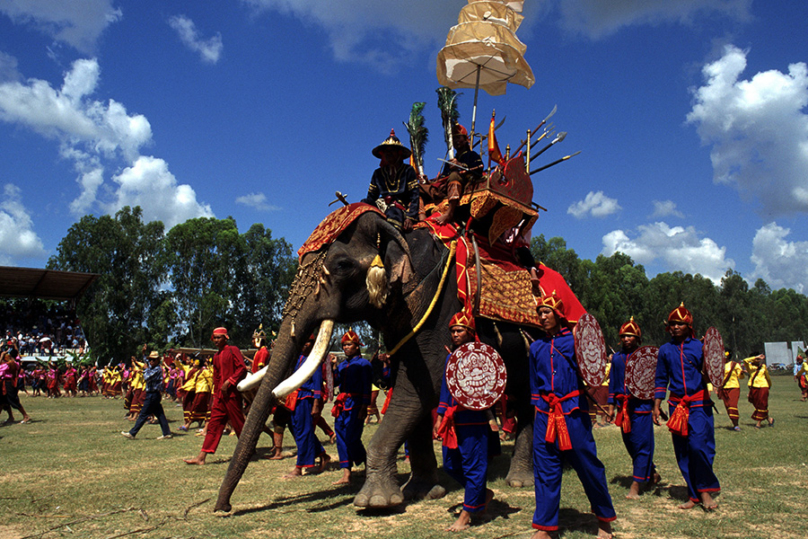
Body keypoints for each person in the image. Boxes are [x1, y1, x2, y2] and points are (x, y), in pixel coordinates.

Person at [530, 292, 615, 539]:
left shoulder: (575, 342)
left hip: (572, 413)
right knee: (545, 470)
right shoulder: (536, 347)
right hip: (546, 415)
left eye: (546, 312)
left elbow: (593, 368)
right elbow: (535, 386)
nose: (542, 317)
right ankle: (546, 528)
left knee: (588, 466)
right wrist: (538, 414)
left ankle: (604, 520)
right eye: (539, 313)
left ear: (558, 315)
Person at [653, 303, 720, 511]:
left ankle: (705, 491)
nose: (674, 328)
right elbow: (661, 379)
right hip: (676, 406)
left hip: (699, 403)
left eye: (679, 324)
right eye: (672, 324)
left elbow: (712, 373)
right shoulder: (665, 350)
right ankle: (694, 494)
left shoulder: (700, 347)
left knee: (699, 446)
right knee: (682, 451)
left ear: (688, 325)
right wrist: (656, 405)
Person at [434, 312, 494, 532]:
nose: (455, 334)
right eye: (452, 331)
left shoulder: (482, 355)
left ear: (469, 333)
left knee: (473, 466)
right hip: (452, 418)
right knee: (450, 464)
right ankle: (481, 495)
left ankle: (466, 515)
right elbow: (445, 389)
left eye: (459, 330)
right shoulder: (451, 357)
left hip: (473, 418)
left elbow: (491, 386)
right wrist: (439, 416)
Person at [607, 317, 659, 499]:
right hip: (624, 409)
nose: (627, 339)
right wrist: (611, 406)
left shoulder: (646, 359)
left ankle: (636, 485)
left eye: (631, 336)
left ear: (638, 338)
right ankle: (652, 473)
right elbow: (613, 382)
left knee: (642, 445)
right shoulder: (617, 359)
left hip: (642, 407)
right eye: (624, 336)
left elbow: (653, 384)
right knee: (630, 445)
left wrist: (656, 407)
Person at [184, 327, 247, 465]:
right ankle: (201, 457)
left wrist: (229, 382)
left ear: (226, 338)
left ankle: (248, 450)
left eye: (219, 337)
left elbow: (242, 368)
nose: (216, 340)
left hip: (232, 395)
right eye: (215, 338)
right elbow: (216, 377)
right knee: (213, 425)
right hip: (220, 397)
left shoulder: (233, 350)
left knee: (238, 424)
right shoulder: (216, 357)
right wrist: (217, 394)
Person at [285, 334, 331, 478]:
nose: (305, 344)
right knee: (297, 429)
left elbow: (317, 382)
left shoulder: (314, 359)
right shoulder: (297, 358)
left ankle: (299, 467)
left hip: (307, 398)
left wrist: (316, 403)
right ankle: (322, 454)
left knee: (304, 431)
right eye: (303, 341)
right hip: (294, 397)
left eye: (308, 341)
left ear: (313, 343)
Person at [330, 329, 372, 485]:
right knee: (341, 437)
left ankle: (369, 465)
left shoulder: (364, 364)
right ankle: (347, 474)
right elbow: (335, 382)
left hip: (356, 404)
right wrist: (334, 367)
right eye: (344, 345)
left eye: (349, 345)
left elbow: (367, 386)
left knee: (352, 438)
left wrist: (364, 406)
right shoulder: (342, 365)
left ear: (357, 346)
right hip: (342, 405)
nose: (346, 348)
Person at [363, 129, 420, 231]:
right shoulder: (378, 173)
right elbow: (371, 197)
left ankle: (394, 244)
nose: (388, 154)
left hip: (400, 208)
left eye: (391, 151)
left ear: (399, 153)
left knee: (393, 213)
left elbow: (415, 196)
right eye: (386, 151)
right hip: (381, 206)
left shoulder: (408, 170)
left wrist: (410, 217)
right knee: (363, 204)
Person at [427, 123, 483, 225]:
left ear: (466, 139)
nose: (456, 141)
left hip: (463, 184)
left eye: (459, 138)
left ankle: (450, 212)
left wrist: (460, 165)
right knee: (420, 187)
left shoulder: (472, 155)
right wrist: (429, 181)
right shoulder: (449, 161)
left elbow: (479, 169)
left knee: (454, 175)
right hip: (444, 187)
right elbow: (443, 176)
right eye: (454, 139)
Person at [121, 351, 172, 440]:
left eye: (153, 360)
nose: (151, 361)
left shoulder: (157, 369)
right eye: (150, 360)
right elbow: (146, 363)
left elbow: (146, 377)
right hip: (152, 394)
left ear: (157, 361)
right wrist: (143, 356)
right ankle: (167, 433)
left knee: (143, 414)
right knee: (160, 415)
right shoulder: (151, 367)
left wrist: (144, 369)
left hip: (153, 394)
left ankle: (132, 433)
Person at [744, 353, 774, 429]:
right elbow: (745, 361)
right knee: (756, 404)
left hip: (763, 386)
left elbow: (767, 376)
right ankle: (769, 419)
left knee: (762, 404)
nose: (758, 360)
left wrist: (769, 385)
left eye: (759, 359)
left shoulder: (763, 366)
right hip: (754, 387)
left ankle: (758, 423)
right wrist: (755, 357)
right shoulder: (749, 367)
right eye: (757, 358)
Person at [0, 351, 31, 424]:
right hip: (7, 383)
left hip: (8, 383)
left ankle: (26, 416)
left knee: (12, 399)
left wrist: (1, 356)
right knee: (3, 401)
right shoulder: (14, 363)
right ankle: (11, 417)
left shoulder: (7, 365)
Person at [717, 350, 745, 430]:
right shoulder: (719, 366)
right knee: (727, 407)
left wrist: (742, 373)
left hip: (733, 387)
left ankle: (736, 425)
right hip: (723, 388)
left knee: (733, 405)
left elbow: (741, 377)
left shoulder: (734, 364)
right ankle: (734, 424)